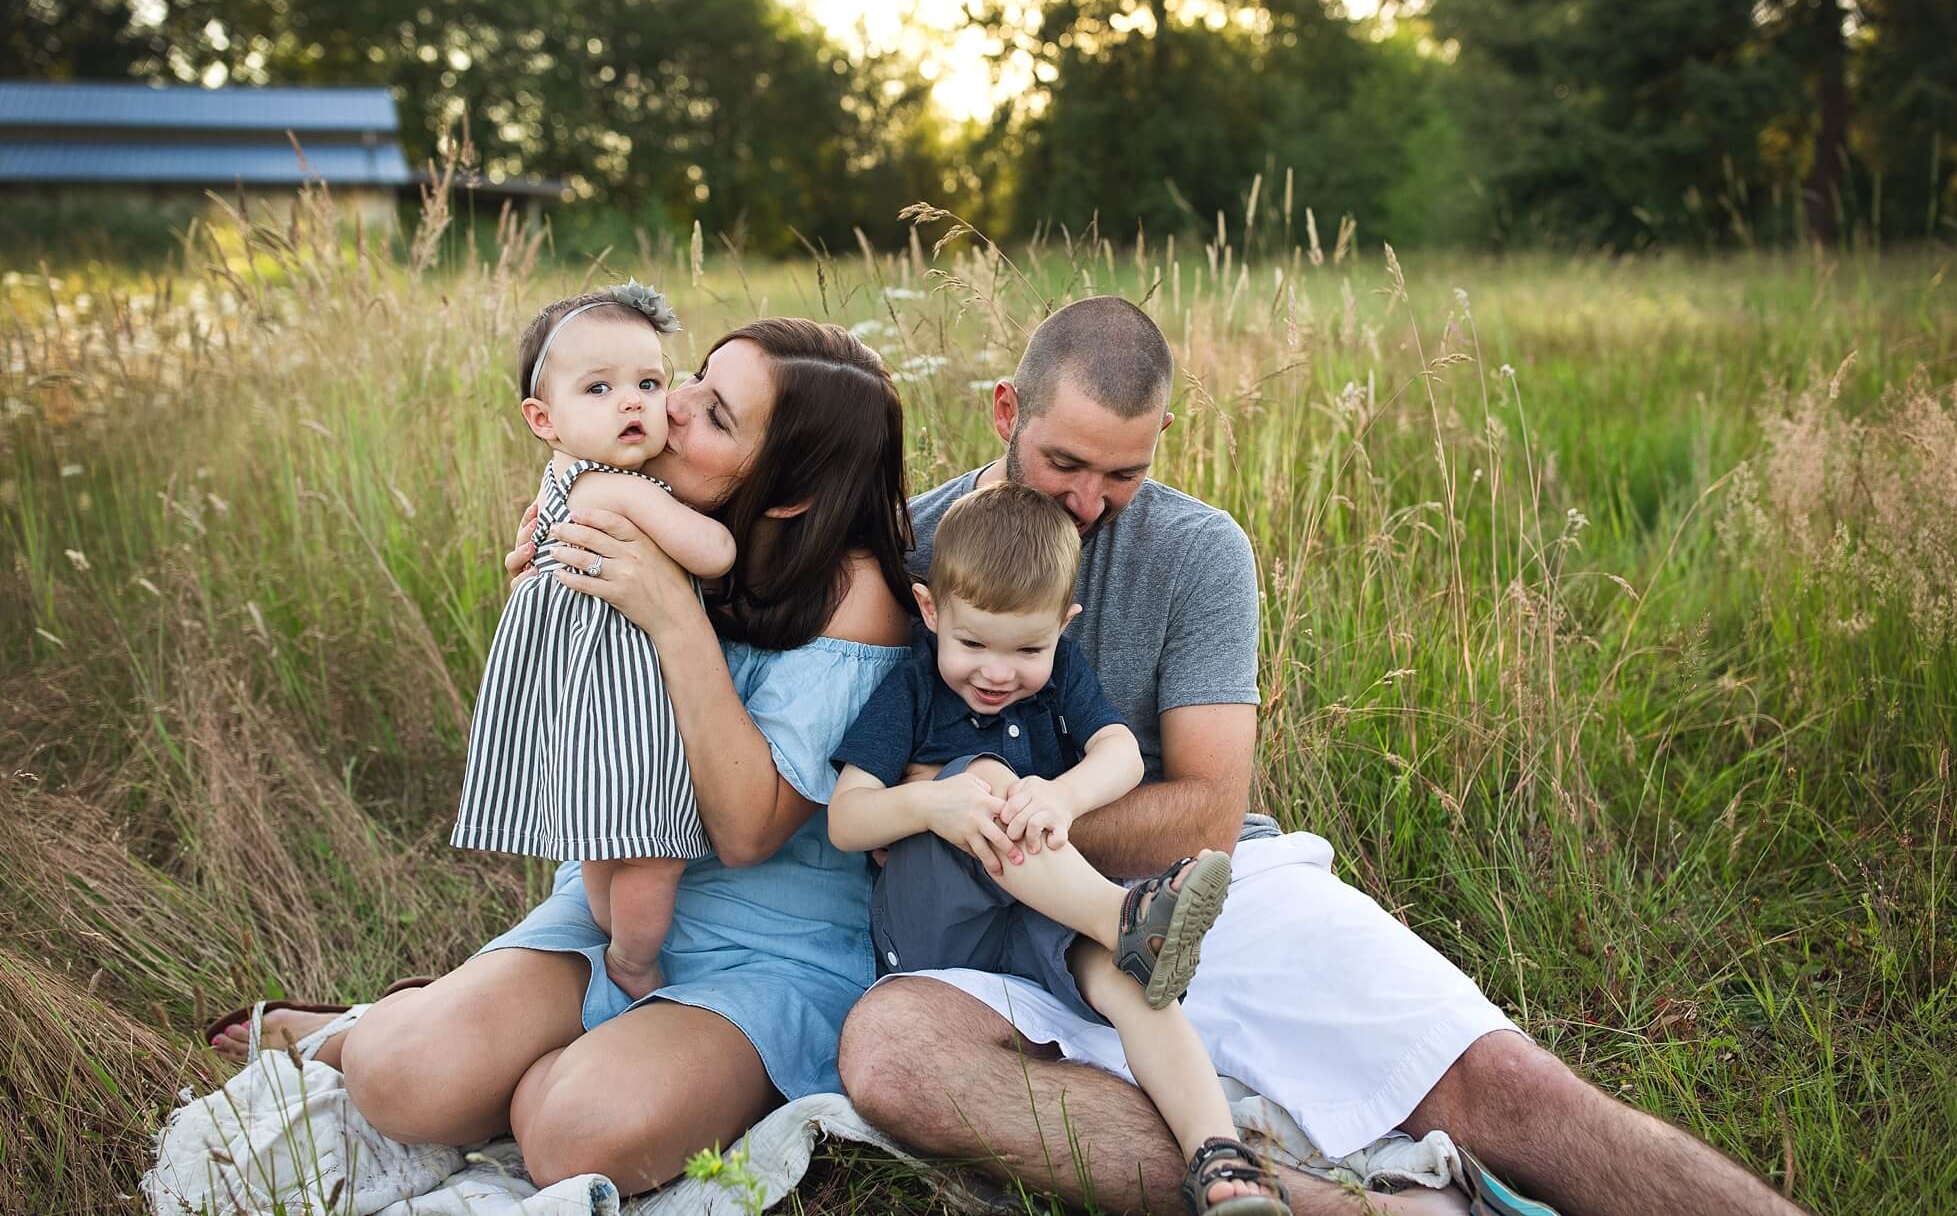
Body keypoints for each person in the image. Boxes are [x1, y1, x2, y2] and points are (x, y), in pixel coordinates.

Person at [837, 296, 1809, 1216]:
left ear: (1159, 440)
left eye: (1122, 473)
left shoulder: (1196, 549)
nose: (1091, 502)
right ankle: (1324, 1200)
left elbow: (1206, 808)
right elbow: (863, 797)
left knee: (1502, 1081)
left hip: (1194, 891)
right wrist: (943, 814)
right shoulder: (908, 550)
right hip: (978, 927)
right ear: (1007, 410)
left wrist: (1011, 810)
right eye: (1064, 462)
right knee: (888, 1056)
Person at [211, 316, 917, 1197]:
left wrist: (672, 617)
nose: (673, 402)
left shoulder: (859, 597)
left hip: (771, 952)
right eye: (694, 375)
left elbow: (746, 832)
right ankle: (387, 1025)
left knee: (573, 1134)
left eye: (717, 415)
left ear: (785, 495)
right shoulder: (641, 510)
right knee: (399, 1080)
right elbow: (574, 701)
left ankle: (545, 1068)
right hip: (617, 896)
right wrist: (549, 596)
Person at [826, 481, 1288, 1216]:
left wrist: (1065, 795)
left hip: (1035, 912)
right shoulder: (914, 689)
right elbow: (846, 819)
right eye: (972, 642)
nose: (998, 672)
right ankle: (1125, 914)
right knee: (985, 778)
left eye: (1029, 648)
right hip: (933, 927)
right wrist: (932, 801)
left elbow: (1122, 756)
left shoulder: (1061, 674)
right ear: (930, 611)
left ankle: (1220, 1162)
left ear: (1063, 627)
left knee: (1134, 983)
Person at [451, 282, 735, 1002]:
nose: (633, 402)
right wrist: (719, 527)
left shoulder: (558, 481)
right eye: (600, 388)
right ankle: (635, 961)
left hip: (581, 697)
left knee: (609, 843)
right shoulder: (611, 487)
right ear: (544, 418)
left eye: (648, 381)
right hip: (620, 701)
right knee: (652, 847)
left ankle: (611, 942)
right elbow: (713, 553)